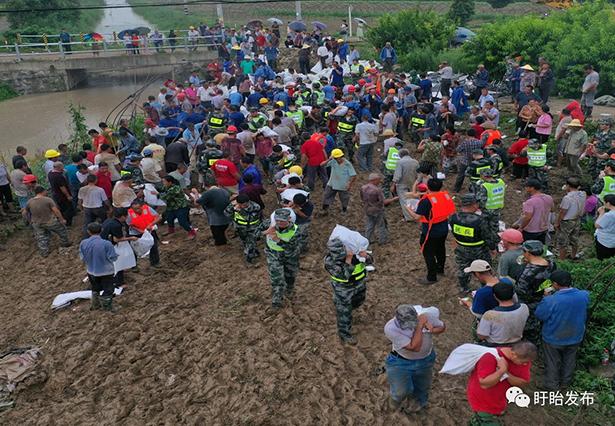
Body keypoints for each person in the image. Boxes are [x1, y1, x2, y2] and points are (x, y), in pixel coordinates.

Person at [384, 304, 445, 413]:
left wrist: (432, 330)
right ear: (397, 318)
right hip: (400, 362)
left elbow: (442, 327)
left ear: (416, 314)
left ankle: (419, 404)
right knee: (400, 391)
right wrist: (420, 326)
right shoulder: (390, 328)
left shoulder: (427, 316)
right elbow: (414, 347)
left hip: (426, 360)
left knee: (422, 387)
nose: (409, 326)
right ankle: (395, 401)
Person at [535, 270, 590, 391]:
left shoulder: (550, 300)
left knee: (552, 361)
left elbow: (540, 315)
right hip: (575, 335)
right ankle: (566, 382)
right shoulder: (584, 295)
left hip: (553, 337)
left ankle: (552, 385)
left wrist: (545, 298)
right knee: (570, 359)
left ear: (555, 284)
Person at [466, 341, 537, 425]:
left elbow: (523, 383)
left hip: (498, 401)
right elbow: (484, 384)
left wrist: (506, 372)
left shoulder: (524, 361)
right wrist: (502, 371)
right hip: (483, 401)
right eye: (523, 362)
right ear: (514, 354)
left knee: (478, 422)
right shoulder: (490, 356)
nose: (525, 364)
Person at [407, 178, 455, 284]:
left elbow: (416, 217)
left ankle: (431, 277)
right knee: (440, 249)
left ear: (428, 187)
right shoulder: (445, 196)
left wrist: (408, 209)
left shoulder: (426, 201)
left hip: (431, 231)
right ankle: (440, 269)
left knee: (428, 253)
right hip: (443, 228)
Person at [324, 237, 369, 345]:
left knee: (359, 301)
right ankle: (344, 334)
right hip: (343, 289)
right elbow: (344, 275)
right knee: (344, 311)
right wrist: (348, 260)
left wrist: (366, 256)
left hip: (359, 284)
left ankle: (347, 307)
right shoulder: (329, 261)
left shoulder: (354, 251)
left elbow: (369, 260)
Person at [449, 194, 495, 293]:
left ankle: (463, 287)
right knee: (484, 268)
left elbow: (453, 232)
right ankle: (486, 287)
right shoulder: (479, 220)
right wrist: (492, 248)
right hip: (479, 250)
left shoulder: (453, 217)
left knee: (463, 268)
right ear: (474, 204)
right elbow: (487, 236)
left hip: (461, 248)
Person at [515, 240, 556, 345]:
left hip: (530, 305)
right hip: (546, 298)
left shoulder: (527, 273)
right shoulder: (551, 264)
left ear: (527, 253)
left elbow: (521, 293)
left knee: (528, 329)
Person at [261, 208, 300, 310]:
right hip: (273, 256)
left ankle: (290, 288)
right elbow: (255, 233)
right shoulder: (269, 223)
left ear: (289, 219)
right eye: (277, 220)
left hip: (290, 256)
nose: (279, 223)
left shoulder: (296, 230)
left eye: (282, 221)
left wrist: (277, 239)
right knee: (276, 279)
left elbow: (291, 246)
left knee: (290, 276)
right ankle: (276, 302)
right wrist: (266, 232)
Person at [79, 222, 118, 312]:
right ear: (101, 230)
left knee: (95, 288)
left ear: (88, 232)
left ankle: (95, 305)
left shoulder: (83, 243)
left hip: (91, 270)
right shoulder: (106, 244)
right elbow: (113, 258)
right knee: (108, 290)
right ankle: (107, 307)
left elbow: (82, 257)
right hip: (106, 271)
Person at [476, 282, 529, 346]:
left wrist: (478, 325)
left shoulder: (490, 315)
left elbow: (481, 336)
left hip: (495, 347)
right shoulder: (524, 308)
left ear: (495, 296)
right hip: (517, 344)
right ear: (513, 294)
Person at [24, 186, 70, 257]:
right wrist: (62, 219)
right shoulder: (48, 200)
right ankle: (65, 243)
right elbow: (56, 211)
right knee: (62, 231)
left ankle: (44, 252)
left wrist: (29, 220)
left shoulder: (30, 201)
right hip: (49, 221)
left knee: (41, 237)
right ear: (43, 191)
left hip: (36, 223)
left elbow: (24, 212)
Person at [101, 208, 138, 288]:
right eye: (126, 216)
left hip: (103, 243)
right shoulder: (116, 225)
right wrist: (131, 238)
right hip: (110, 245)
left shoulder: (109, 221)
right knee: (118, 263)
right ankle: (119, 283)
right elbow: (117, 239)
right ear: (122, 217)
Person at [224, 193, 262, 264]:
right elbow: (226, 214)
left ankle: (250, 260)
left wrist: (240, 211)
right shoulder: (234, 206)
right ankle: (255, 251)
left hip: (252, 228)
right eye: (241, 204)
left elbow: (250, 217)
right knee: (245, 241)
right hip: (240, 228)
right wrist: (231, 206)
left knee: (251, 242)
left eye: (245, 204)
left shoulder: (255, 207)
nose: (243, 206)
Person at [555, 178, 586, 260]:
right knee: (574, 238)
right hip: (577, 219)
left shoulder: (567, 198)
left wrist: (557, 222)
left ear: (568, 186)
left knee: (563, 241)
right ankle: (573, 256)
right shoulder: (583, 194)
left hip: (567, 221)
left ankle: (562, 260)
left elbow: (563, 211)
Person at [320, 149, 357, 215]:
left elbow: (354, 175)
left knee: (344, 198)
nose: (338, 159)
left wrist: (349, 184)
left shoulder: (347, 164)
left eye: (339, 158)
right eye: (336, 158)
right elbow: (321, 165)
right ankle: (324, 209)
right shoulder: (333, 161)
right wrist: (329, 159)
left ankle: (344, 210)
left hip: (342, 185)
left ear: (342, 156)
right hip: (332, 183)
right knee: (326, 195)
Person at [127, 199, 162, 267]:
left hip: (149, 231)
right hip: (136, 233)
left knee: (153, 246)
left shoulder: (147, 208)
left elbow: (158, 217)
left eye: (138, 208)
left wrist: (151, 224)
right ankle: (133, 266)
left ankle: (155, 262)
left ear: (142, 206)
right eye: (134, 209)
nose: (137, 210)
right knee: (134, 249)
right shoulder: (129, 213)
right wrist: (140, 230)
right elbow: (130, 224)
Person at [518, 178, 553, 243]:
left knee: (528, 249)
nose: (525, 188)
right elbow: (552, 210)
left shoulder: (530, 202)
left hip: (531, 231)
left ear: (532, 188)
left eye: (527, 186)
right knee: (539, 249)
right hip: (543, 229)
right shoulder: (549, 198)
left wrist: (521, 227)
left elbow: (528, 217)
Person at [475, 168, 505, 244]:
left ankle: (487, 242)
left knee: (485, 226)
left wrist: (479, 208)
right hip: (497, 208)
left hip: (487, 209)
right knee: (494, 226)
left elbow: (482, 200)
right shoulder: (501, 182)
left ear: (483, 176)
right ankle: (496, 241)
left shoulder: (485, 186)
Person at [360, 173, 391, 245]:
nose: (379, 182)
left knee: (369, 224)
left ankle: (367, 239)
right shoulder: (377, 190)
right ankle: (382, 240)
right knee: (381, 225)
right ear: (374, 180)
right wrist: (394, 199)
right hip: (377, 210)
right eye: (378, 180)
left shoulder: (363, 188)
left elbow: (362, 198)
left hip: (367, 209)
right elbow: (383, 201)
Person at [391, 149, 419, 221]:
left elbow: (398, 175)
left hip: (402, 184)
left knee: (404, 200)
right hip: (413, 183)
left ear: (400, 155)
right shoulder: (415, 161)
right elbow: (418, 174)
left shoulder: (400, 162)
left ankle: (409, 217)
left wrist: (393, 184)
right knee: (414, 199)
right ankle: (417, 214)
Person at [48, 161, 75, 227]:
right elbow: (62, 187)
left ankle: (62, 221)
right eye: (62, 167)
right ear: (59, 167)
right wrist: (68, 196)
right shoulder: (59, 176)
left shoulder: (50, 173)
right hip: (62, 196)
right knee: (68, 209)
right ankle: (67, 223)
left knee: (61, 208)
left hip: (56, 194)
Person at [594, 194, 615, 260]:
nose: (604, 204)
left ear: (608, 203)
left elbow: (597, 225)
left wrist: (601, 213)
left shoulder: (608, 215)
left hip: (605, 241)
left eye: (604, 202)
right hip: (613, 239)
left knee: (603, 258)